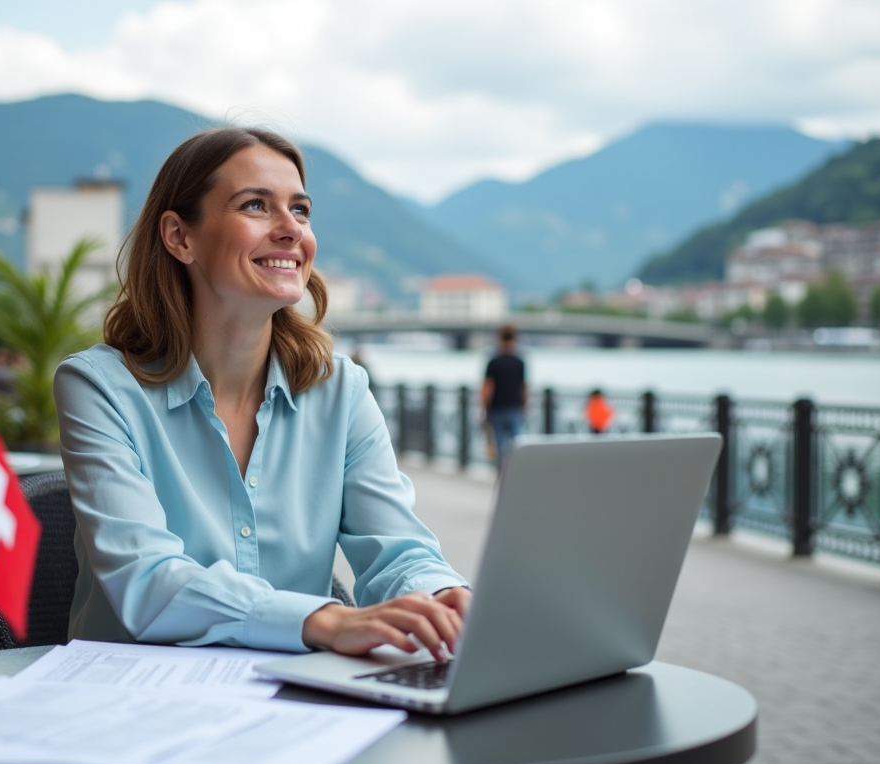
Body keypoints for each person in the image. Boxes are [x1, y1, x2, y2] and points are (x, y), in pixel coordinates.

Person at [53, 128, 470, 661]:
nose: (290, 229)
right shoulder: (99, 388)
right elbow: (147, 580)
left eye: (300, 210)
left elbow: (398, 551)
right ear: (180, 237)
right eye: (256, 205)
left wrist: (443, 597)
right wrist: (324, 619)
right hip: (136, 708)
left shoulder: (340, 391)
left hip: (294, 704)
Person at [481, 325, 527, 472]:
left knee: (499, 446)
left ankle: (502, 476)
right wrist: (524, 407)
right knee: (517, 445)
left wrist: (484, 409)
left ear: (499, 338)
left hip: (497, 409)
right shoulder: (519, 362)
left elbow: (487, 388)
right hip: (515, 408)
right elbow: (524, 388)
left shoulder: (493, 362)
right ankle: (517, 473)